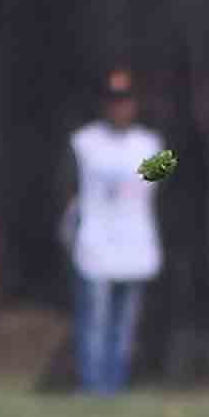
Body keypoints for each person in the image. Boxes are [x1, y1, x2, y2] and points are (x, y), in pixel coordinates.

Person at [64, 69, 163, 395]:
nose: (120, 108)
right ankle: (93, 385)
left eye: (125, 101)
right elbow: (69, 190)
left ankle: (116, 384)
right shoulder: (83, 143)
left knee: (125, 325)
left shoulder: (151, 145)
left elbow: (159, 190)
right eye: (114, 101)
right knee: (95, 321)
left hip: (136, 243)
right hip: (95, 243)